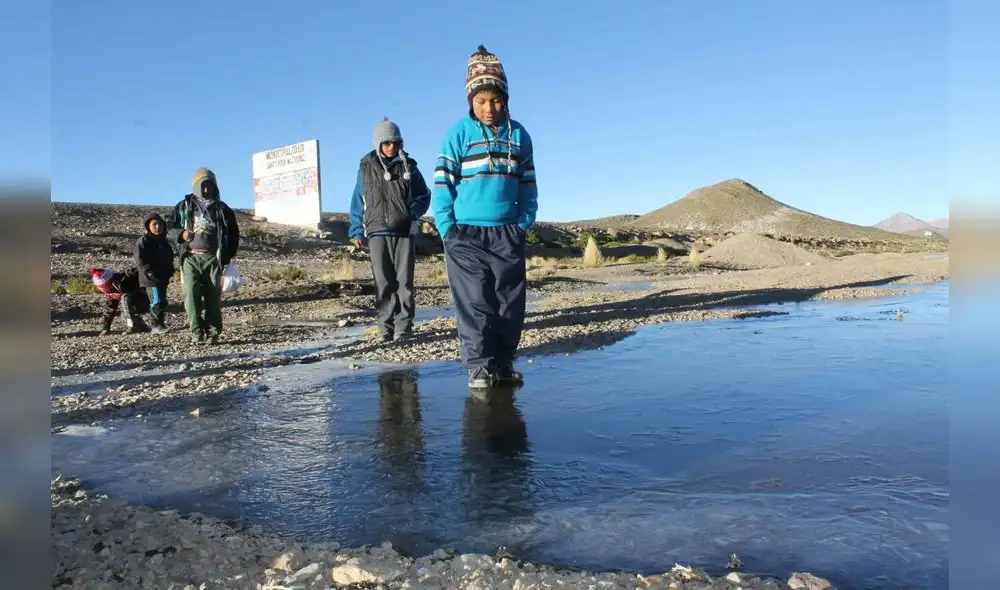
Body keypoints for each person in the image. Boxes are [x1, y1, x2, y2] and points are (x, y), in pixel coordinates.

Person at [431, 45, 538, 389]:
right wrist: (447, 229)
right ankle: (479, 367)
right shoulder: (457, 134)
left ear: (505, 99)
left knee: (509, 303)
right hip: (465, 235)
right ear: (471, 101)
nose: (489, 108)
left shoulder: (519, 135)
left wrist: (523, 223)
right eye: (481, 101)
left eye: (495, 100)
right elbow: (442, 184)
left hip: (507, 232)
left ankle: (503, 363)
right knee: (475, 302)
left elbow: (528, 184)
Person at [348, 118, 431, 342]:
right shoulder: (365, 167)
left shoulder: (409, 166)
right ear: (378, 144)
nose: (391, 146)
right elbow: (357, 200)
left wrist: (411, 213)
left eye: (395, 142)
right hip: (376, 232)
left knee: (404, 282)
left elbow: (424, 195)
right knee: (383, 282)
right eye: (386, 143)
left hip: (404, 232)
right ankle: (385, 327)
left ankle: (403, 326)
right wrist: (356, 231)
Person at [166, 167, 240, 344]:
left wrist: (226, 258)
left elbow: (233, 235)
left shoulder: (222, 209)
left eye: (210, 185)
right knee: (191, 295)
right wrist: (182, 234)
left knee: (213, 297)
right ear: (196, 186)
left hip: (213, 258)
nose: (207, 189)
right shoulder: (184, 206)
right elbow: (169, 228)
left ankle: (213, 332)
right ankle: (197, 331)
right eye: (203, 185)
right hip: (190, 258)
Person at [134, 212, 175, 334]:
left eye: (160, 224)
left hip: (162, 278)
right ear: (148, 226)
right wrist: (150, 273)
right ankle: (156, 326)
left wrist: (170, 270)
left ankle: (160, 324)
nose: (158, 227)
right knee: (156, 301)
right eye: (154, 224)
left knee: (162, 301)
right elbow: (140, 260)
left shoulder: (163, 242)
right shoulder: (143, 241)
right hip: (150, 279)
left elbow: (169, 257)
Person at [90, 266, 150, 335]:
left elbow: (143, 270)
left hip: (148, 297)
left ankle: (134, 326)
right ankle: (141, 326)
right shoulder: (113, 289)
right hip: (139, 301)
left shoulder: (127, 278)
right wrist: (106, 328)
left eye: (106, 287)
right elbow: (110, 308)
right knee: (124, 312)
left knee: (125, 299)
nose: (106, 290)